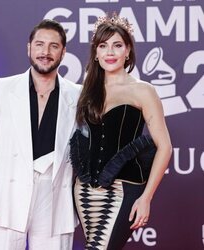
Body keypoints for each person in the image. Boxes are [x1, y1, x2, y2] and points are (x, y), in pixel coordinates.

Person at [0, 19, 81, 250]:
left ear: (63, 52)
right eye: (40, 44)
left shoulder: (77, 95)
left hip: (55, 199)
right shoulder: (3, 88)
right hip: (6, 199)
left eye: (54, 46)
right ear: (29, 48)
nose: (46, 52)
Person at [70, 14, 172, 250]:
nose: (110, 52)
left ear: (127, 51)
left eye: (117, 45)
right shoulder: (87, 90)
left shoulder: (143, 91)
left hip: (124, 189)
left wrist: (146, 198)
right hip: (84, 191)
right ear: (95, 53)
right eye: (103, 46)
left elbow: (165, 147)